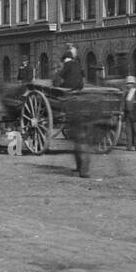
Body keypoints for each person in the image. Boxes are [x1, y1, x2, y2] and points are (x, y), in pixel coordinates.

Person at [52, 45, 89, 176]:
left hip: (70, 90)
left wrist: (55, 85)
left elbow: (59, 77)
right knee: (81, 146)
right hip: (79, 88)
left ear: (65, 59)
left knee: (78, 146)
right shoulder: (78, 64)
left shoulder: (67, 65)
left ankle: (82, 170)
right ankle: (82, 169)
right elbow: (83, 76)